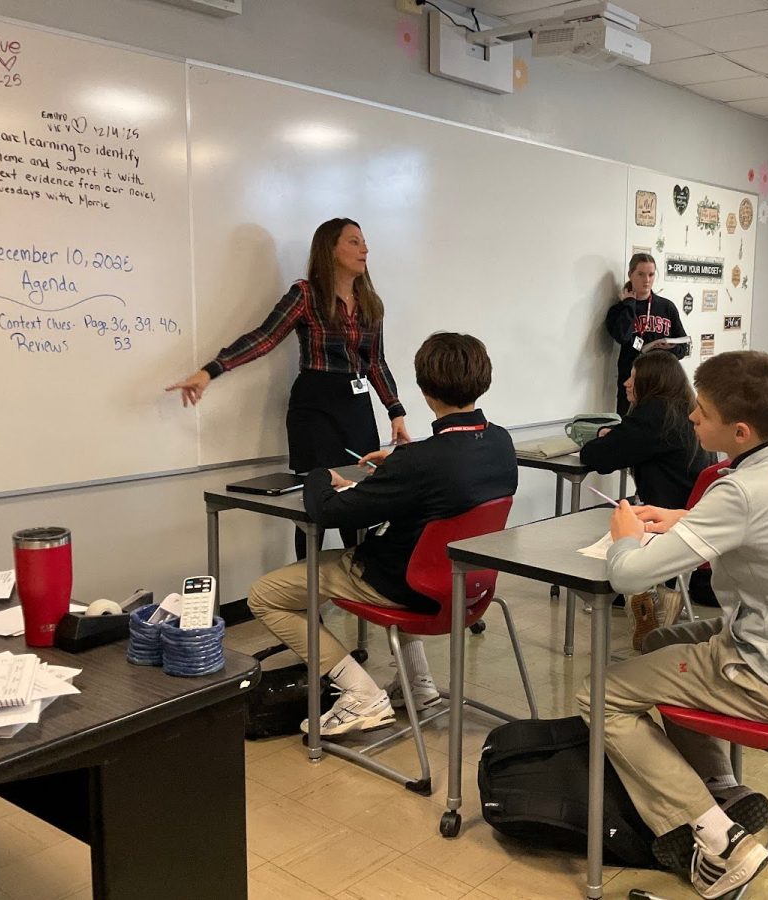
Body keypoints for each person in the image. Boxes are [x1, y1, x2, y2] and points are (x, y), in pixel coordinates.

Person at [577, 351, 768, 898]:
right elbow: (757, 521)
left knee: (601, 694)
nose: (691, 419)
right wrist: (686, 519)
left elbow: (630, 578)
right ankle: (719, 789)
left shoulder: (740, 492)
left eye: (700, 411)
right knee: (660, 641)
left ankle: (718, 838)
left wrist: (624, 536)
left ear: (739, 429)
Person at [246, 333, 517, 736]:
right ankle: (420, 686)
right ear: (484, 379)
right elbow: (443, 477)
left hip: (403, 585)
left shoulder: (418, 462)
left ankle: (360, 693)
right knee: (408, 555)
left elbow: (329, 511)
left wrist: (320, 474)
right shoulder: (501, 442)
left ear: (425, 390)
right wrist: (396, 468)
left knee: (265, 596)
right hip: (465, 588)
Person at [166, 217, 412, 558]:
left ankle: (359, 584)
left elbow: (375, 363)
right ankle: (308, 596)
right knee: (317, 504)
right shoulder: (306, 295)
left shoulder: (371, 303)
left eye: (364, 242)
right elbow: (265, 338)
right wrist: (211, 370)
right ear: (331, 248)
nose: (364, 249)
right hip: (314, 408)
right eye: (354, 241)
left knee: (359, 500)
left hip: (356, 409)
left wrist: (395, 412)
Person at [580, 351, 716, 646]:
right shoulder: (683, 409)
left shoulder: (654, 413)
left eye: (633, 377)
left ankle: (630, 590)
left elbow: (596, 457)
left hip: (664, 520)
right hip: (689, 511)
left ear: (651, 382)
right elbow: (632, 438)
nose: (627, 383)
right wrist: (615, 434)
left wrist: (604, 438)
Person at [605, 252, 689, 415]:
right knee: (629, 427)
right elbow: (622, 337)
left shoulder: (667, 307)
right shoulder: (619, 309)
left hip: (662, 380)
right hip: (632, 380)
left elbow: (683, 348)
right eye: (641, 274)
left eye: (651, 274)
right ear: (631, 275)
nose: (647, 280)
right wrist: (629, 304)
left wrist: (668, 348)